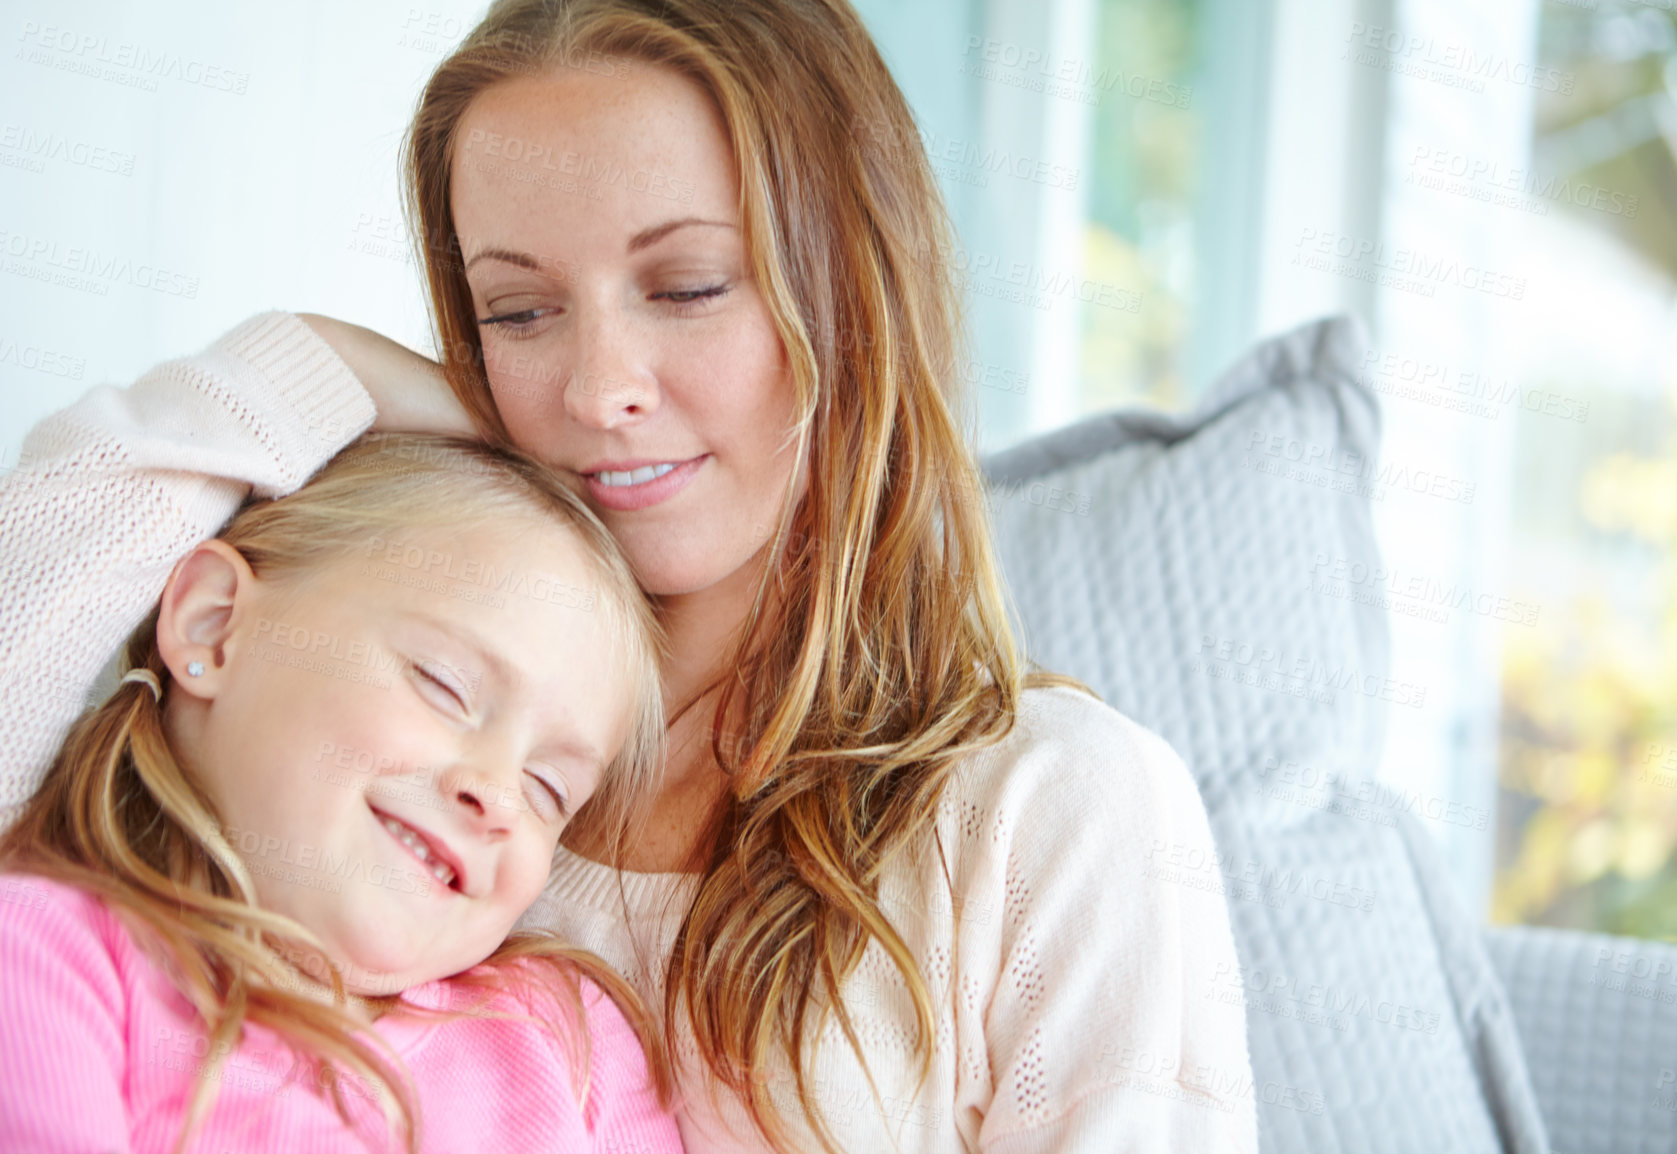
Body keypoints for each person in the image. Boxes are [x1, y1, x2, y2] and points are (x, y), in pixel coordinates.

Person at [0, 0, 1257, 1149]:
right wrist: (317, 361)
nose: (599, 392)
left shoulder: (1052, 807)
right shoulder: (350, 733)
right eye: (519, 313)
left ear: (855, 299)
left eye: (688, 285)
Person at [0, 434, 686, 1154]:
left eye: (549, 789)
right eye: (443, 686)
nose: (497, 795)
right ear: (214, 624)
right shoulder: (51, 956)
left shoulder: (569, 1039)